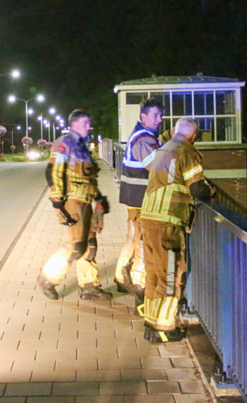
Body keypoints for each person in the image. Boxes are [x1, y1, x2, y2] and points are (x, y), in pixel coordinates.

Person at [139, 117, 214, 343]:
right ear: (194, 136)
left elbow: (146, 164)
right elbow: (198, 189)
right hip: (168, 221)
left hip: (149, 218)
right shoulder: (187, 152)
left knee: (153, 273)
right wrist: (211, 192)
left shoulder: (163, 149)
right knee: (170, 275)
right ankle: (164, 328)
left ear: (174, 131)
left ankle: (152, 320)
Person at [37, 109, 113, 301]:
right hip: (72, 201)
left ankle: (89, 286)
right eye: (84, 123)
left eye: (89, 123)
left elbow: (88, 178)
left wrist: (99, 200)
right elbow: (55, 171)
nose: (88, 127)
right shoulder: (65, 144)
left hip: (86, 200)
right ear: (73, 125)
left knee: (90, 243)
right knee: (74, 246)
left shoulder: (82, 146)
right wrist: (58, 200)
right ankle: (48, 278)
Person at [113, 98, 164, 306]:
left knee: (133, 237)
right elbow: (157, 168)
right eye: (155, 116)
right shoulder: (144, 140)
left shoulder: (140, 134)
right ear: (143, 116)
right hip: (141, 199)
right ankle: (140, 286)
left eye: (160, 116)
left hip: (132, 197)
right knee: (142, 244)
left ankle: (120, 276)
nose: (159, 120)